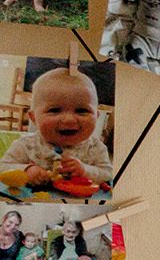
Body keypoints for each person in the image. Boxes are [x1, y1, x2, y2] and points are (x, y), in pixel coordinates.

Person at [1, 65, 112, 196]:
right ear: (34, 118)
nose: (69, 119)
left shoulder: (96, 148)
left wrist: (84, 170)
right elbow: (3, 168)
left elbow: (107, 174)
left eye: (82, 111)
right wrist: (27, 170)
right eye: (54, 110)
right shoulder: (26, 145)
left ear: (96, 116)